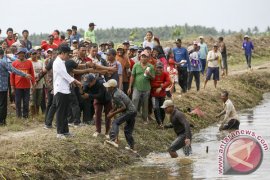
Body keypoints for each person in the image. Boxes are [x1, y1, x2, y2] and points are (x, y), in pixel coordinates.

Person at [52, 45, 82, 138]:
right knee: (60, 112)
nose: (69, 56)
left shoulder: (62, 62)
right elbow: (64, 74)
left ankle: (65, 131)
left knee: (65, 112)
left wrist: (73, 81)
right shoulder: (57, 62)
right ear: (63, 53)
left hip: (65, 89)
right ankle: (60, 132)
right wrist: (75, 81)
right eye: (68, 54)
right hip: (60, 89)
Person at [0, 49, 32, 125]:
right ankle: (2, 122)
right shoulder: (3, 62)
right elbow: (13, 70)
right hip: (2, 87)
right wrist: (25, 74)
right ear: (2, 54)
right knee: (2, 105)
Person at [104, 79, 137, 153]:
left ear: (112, 87)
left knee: (115, 122)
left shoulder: (116, 95)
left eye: (108, 87)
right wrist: (112, 111)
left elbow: (123, 107)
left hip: (129, 111)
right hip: (133, 111)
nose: (107, 88)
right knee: (127, 130)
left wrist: (113, 113)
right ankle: (132, 147)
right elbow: (117, 104)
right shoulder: (116, 91)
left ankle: (112, 139)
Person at [128, 50, 155, 124]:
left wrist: (149, 74)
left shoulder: (151, 66)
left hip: (146, 88)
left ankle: (145, 118)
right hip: (137, 87)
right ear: (140, 57)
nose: (143, 58)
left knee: (145, 104)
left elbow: (153, 78)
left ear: (148, 58)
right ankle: (132, 117)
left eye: (145, 57)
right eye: (142, 56)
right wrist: (130, 87)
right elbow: (132, 76)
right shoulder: (136, 65)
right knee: (134, 100)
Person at [10, 48, 35, 118]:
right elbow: (12, 76)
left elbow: (32, 74)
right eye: (19, 53)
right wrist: (12, 87)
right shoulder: (14, 63)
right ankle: (18, 117)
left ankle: (25, 116)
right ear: (17, 54)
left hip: (27, 86)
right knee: (17, 103)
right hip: (17, 87)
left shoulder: (29, 62)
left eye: (22, 53)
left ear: (24, 54)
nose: (20, 55)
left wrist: (33, 84)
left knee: (26, 102)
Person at [151, 62, 171, 127]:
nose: (159, 69)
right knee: (156, 108)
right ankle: (159, 123)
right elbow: (151, 84)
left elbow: (169, 82)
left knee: (162, 108)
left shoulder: (165, 74)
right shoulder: (152, 74)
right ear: (155, 68)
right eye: (157, 67)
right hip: (154, 94)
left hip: (162, 95)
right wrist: (160, 85)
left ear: (162, 68)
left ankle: (161, 122)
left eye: (160, 68)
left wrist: (161, 87)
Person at [29, 49, 44, 116]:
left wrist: (38, 79)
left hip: (40, 83)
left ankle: (37, 114)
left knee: (38, 101)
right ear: (30, 55)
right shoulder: (28, 61)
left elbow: (43, 71)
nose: (34, 55)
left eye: (35, 54)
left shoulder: (40, 62)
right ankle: (33, 115)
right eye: (33, 54)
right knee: (32, 100)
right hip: (31, 84)